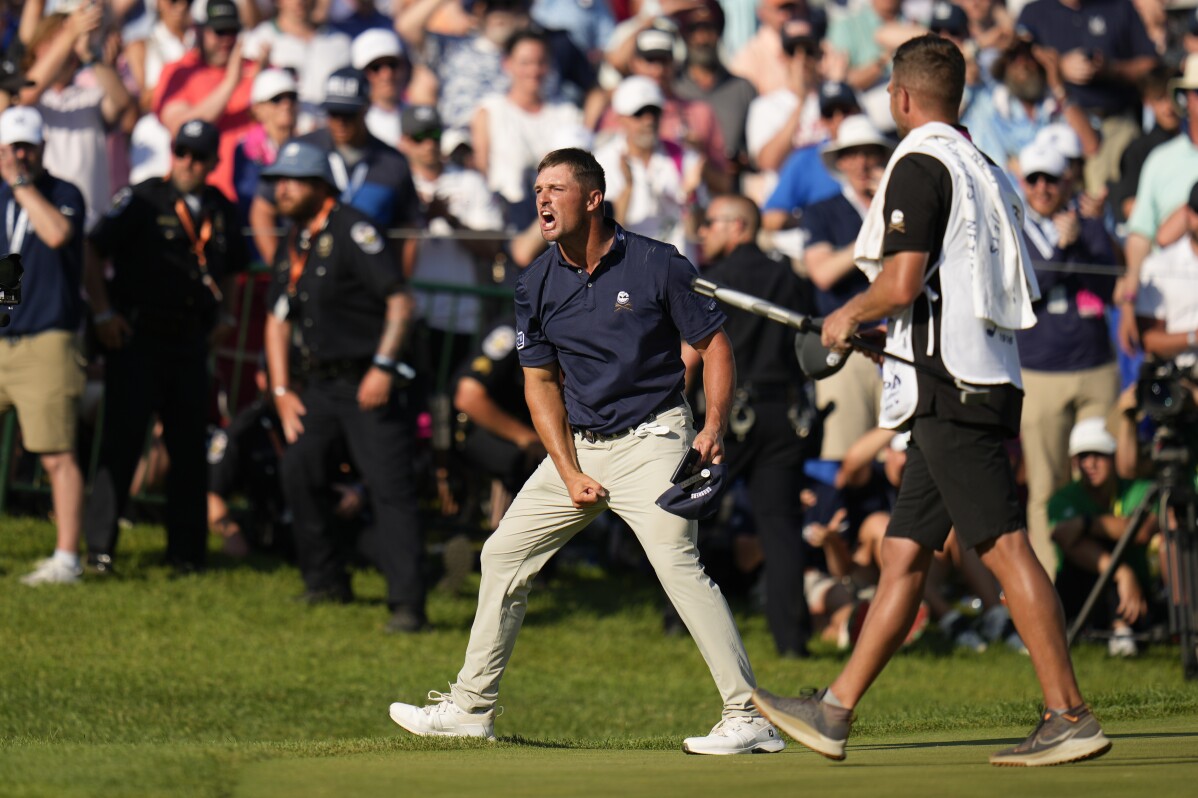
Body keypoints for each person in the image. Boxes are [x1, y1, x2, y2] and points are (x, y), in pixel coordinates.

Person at [752, 35, 1110, 768]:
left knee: (1005, 545)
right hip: (972, 374)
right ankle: (835, 711)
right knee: (903, 551)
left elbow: (905, 280)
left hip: (953, 386)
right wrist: (888, 323)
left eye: (889, 93)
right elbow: (953, 288)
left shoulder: (918, 160)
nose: (890, 103)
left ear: (904, 97)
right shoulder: (984, 165)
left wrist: (849, 315)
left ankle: (1068, 713)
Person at [388, 147, 785, 755]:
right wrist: (569, 470)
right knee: (501, 556)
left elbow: (715, 345)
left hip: (655, 437)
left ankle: (747, 715)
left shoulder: (658, 263)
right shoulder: (535, 281)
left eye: (555, 189)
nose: (541, 200)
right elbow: (540, 382)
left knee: (678, 565)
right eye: (537, 189)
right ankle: (471, 708)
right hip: (582, 448)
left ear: (593, 198)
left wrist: (712, 426)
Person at [262, 140, 427, 633]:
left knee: (389, 488)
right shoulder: (296, 239)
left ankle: (408, 606)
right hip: (320, 386)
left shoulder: (353, 229)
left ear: (320, 187)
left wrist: (381, 366)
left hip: (368, 383)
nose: (280, 190)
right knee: (298, 468)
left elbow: (400, 302)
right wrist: (281, 389)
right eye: (276, 181)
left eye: (291, 181)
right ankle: (326, 580)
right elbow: (275, 319)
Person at [83, 120, 248, 575]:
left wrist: (229, 316)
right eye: (182, 152)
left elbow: (234, 267)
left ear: (215, 161)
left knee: (188, 448)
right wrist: (101, 313)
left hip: (190, 340)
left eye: (199, 155)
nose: (189, 162)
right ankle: (99, 548)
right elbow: (92, 249)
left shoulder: (222, 208)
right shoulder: (141, 197)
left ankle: (187, 554)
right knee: (123, 442)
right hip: (138, 337)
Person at [695, 193, 816, 657]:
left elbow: (696, 350)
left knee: (689, 511)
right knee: (781, 529)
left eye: (711, 222)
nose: (703, 232)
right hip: (784, 416)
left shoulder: (711, 281)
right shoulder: (788, 277)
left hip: (725, 417)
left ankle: (678, 621)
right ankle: (792, 641)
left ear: (738, 227)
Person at [1014, 142, 1119, 576]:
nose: (1042, 188)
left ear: (1067, 181)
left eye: (1051, 179)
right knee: (1046, 485)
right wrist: (1063, 249)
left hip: (1096, 369)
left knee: (1100, 482)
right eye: (1034, 179)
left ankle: (1100, 586)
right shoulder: (1014, 228)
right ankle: (1049, 589)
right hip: (1040, 373)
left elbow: (1112, 286)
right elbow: (1027, 289)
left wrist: (1085, 242)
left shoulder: (1090, 227)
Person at [0, 107, 87, 586]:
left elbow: (55, 233)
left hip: (48, 339)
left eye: (27, 146)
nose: (19, 155)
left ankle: (66, 558)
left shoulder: (63, 193)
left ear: (42, 148)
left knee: (55, 453)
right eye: (12, 147)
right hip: (4, 335)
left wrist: (21, 186)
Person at [799, 115, 891, 461]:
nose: (863, 163)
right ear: (840, 161)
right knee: (844, 452)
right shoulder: (822, 211)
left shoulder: (900, 207)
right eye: (853, 154)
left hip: (894, 340)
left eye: (871, 153)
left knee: (902, 456)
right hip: (847, 344)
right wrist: (877, 231)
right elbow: (822, 272)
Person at [1050, 417, 1154, 658]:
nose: (1090, 464)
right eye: (1083, 457)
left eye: (1099, 455)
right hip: (1082, 588)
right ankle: (1117, 629)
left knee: (1101, 539)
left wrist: (1087, 523)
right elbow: (1062, 536)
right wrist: (1121, 573)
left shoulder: (1136, 488)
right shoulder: (1063, 498)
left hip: (1136, 594)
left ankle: (1121, 628)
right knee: (1088, 546)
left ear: (1114, 456)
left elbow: (1140, 531)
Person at [154, 0, 258, 202]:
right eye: (219, 31)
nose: (227, 39)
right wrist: (230, 84)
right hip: (200, 194)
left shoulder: (256, 69)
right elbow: (181, 127)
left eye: (232, 31)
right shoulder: (179, 72)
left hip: (251, 199)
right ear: (198, 29)